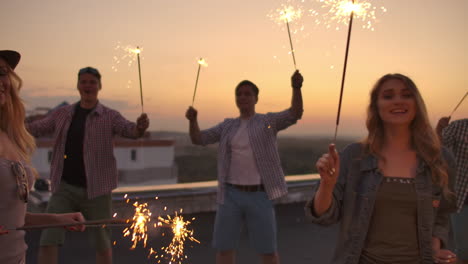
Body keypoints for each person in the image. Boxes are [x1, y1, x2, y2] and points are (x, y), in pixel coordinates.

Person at [305, 73, 458, 264]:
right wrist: (326, 186)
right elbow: (324, 217)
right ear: (376, 106)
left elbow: (443, 212)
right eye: (388, 96)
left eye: (406, 95)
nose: (398, 101)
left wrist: (436, 247)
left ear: (416, 103)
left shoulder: (440, 158)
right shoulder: (354, 156)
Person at [26, 66, 150, 264]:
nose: (88, 85)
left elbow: (131, 131)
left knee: (102, 242)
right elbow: (35, 128)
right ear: (78, 85)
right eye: (84, 81)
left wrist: (140, 128)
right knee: (48, 238)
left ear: (99, 86)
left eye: (92, 82)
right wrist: (12, 122)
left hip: (98, 190)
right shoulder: (62, 114)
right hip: (64, 187)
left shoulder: (110, 116)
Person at [185, 70, 303, 264]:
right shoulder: (227, 126)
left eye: (247, 93)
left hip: (260, 195)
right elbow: (199, 139)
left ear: (256, 98)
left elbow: (294, 114)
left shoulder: (267, 122)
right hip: (230, 195)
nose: (242, 97)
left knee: (268, 251)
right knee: (224, 249)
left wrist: (296, 87)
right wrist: (193, 121)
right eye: (239, 94)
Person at [0, 50, 85, 264]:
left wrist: (57, 219)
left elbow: (13, 218)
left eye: (2, 73)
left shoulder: (8, 137)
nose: (1, 81)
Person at [437, 116, 468, 264]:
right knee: (464, 251)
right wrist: (438, 130)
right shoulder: (459, 127)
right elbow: (435, 149)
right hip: (462, 199)